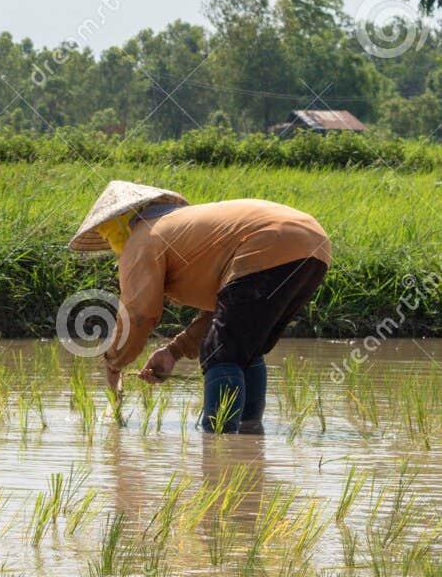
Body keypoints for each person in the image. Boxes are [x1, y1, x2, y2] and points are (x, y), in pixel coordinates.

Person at [69, 182, 330, 432]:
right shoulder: (178, 227)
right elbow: (223, 311)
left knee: (221, 353)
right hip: (315, 244)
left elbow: (139, 314)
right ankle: (250, 435)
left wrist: (115, 361)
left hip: (268, 240)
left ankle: (219, 442)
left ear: (119, 227)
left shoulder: (143, 237)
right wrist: (173, 351)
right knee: (244, 346)